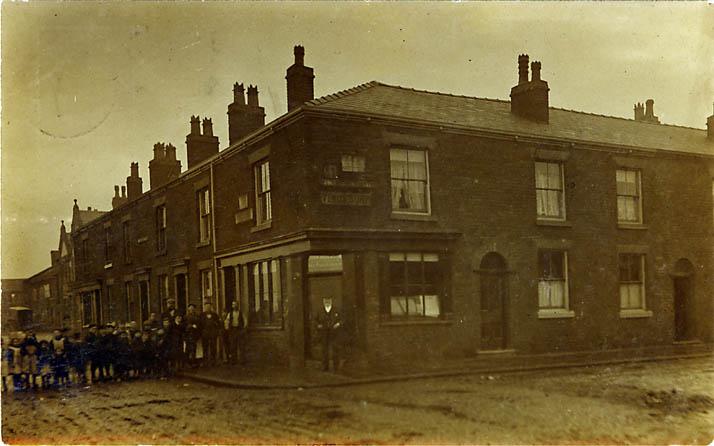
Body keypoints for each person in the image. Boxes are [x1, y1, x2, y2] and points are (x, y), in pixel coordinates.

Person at [316, 297, 342, 372]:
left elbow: (342, 319)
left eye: (328, 300)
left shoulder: (336, 310)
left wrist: (338, 324)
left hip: (334, 333)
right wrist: (318, 325)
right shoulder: (320, 311)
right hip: (324, 333)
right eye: (325, 301)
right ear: (323, 301)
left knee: (335, 349)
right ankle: (325, 367)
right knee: (324, 350)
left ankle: (336, 368)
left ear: (331, 301)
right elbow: (315, 321)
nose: (327, 302)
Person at [224, 301, 246, 365]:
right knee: (233, 346)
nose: (234, 306)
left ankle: (242, 360)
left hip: (239, 330)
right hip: (233, 330)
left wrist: (243, 329)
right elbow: (227, 321)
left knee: (241, 345)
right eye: (233, 305)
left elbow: (245, 321)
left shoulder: (241, 313)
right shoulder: (230, 313)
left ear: (238, 306)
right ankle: (234, 360)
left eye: (235, 305)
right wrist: (227, 328)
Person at [199, 302, 220, 366]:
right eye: (206, 307)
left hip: (212, 333)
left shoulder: (214, 315)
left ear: (211, 307)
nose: (207, 308)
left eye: (209, 307)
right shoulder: (202, 315)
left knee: (213, 347)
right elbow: (200, 324)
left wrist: (216, 330)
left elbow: (218, 324)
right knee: (205, 347)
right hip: (205, 333)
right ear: (204, 308)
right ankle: (205, 361)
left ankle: (213, 360)